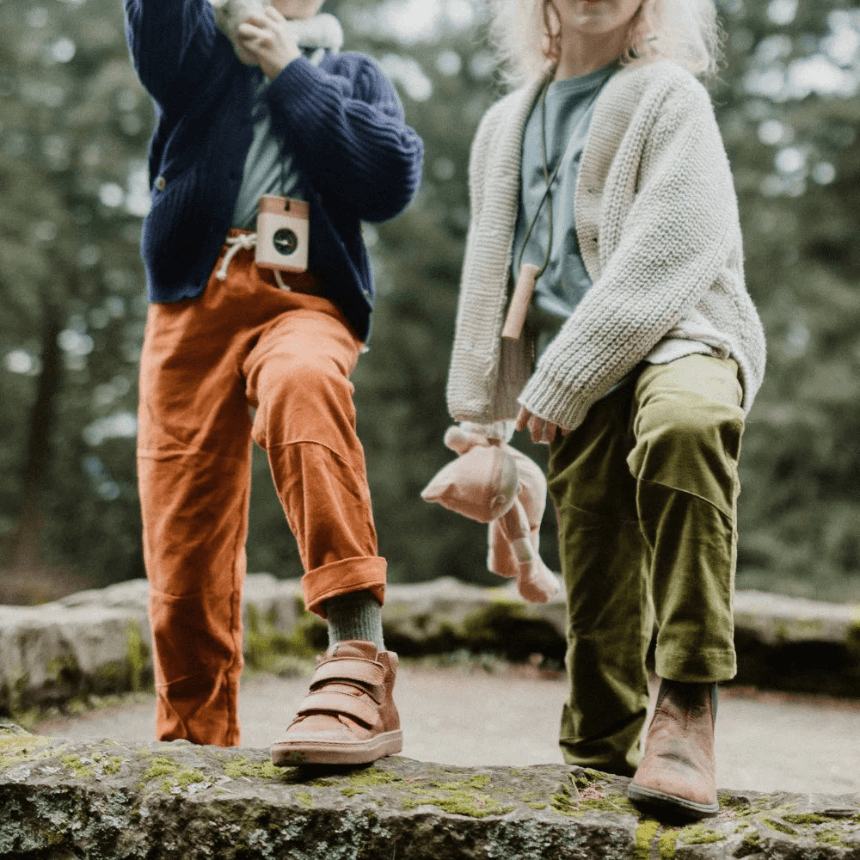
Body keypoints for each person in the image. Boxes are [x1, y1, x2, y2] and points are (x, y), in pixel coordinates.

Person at [446, 0, 766, 818]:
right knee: (597, 579)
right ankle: (597, 758)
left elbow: (675, 247)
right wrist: (483, 413)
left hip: (680, 337)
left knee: (688, 426)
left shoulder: (668, 94)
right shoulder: (503, 125)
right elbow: (490, 274)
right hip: (575, 379)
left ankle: (687, 705)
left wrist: (562, 377)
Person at [124, 0, 423, 766]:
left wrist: (287, 69)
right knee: (183, 523)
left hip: (304, 300)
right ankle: (192, 745)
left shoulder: (352, 73)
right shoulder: (202, 56)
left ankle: (357, 658)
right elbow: (159, 33)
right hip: (190, 303)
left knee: (303, 384)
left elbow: (388, 179)